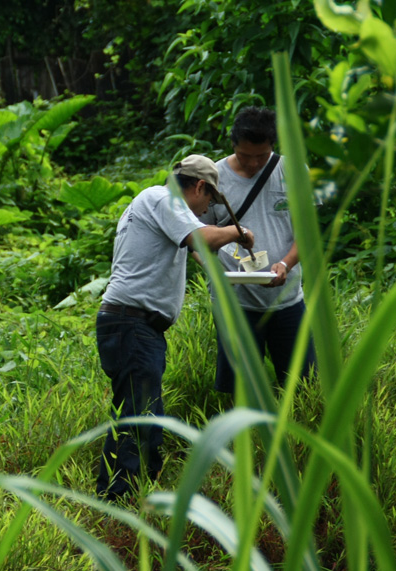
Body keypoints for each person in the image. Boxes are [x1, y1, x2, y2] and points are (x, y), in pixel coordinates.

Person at [95, 154, 254, 503]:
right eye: (209, 200)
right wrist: (239, 233)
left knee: (140, 414)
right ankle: (120, 503)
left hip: (132, 327)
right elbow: (204, 240)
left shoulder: (158, 208)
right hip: (132, 325)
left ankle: (128, 496)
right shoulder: (160, 198)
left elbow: (205, 257)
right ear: (199, 187)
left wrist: (253, 273)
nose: (205, 209)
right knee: (139, 419)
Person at [201, 106, 317, 396]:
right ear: (233, 145)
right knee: (237, 389)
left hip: (287, 298)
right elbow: (196, 239)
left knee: (302, 384)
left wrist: (286, 264)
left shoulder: (293, 171)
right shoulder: (213, 177)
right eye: (244, 156)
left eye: (261, 157)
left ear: (273, 147)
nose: (253, 165)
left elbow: (308, 233)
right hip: (234, 304)